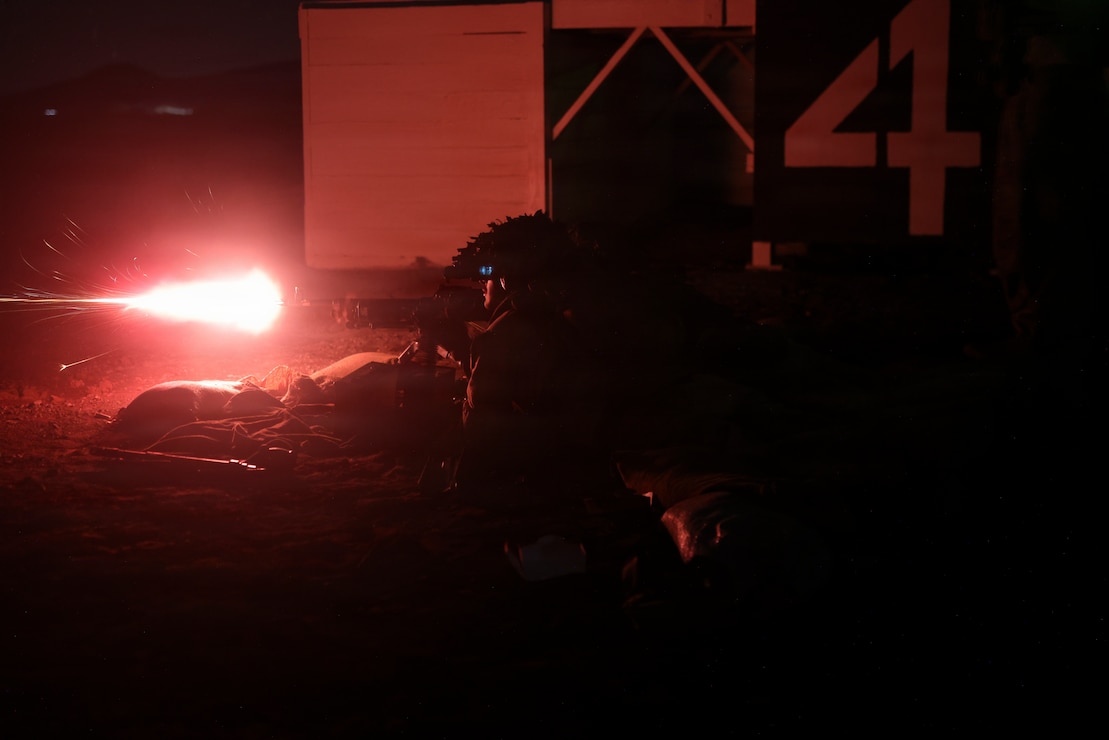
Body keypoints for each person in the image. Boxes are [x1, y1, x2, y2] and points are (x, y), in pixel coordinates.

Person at [445, 212, 605, 492]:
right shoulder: (556, 317)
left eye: (490, 276)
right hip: (573, 456)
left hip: (530, 470)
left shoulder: (505, 332)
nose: (482, 284)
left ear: (507, 279)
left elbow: (481, 412)